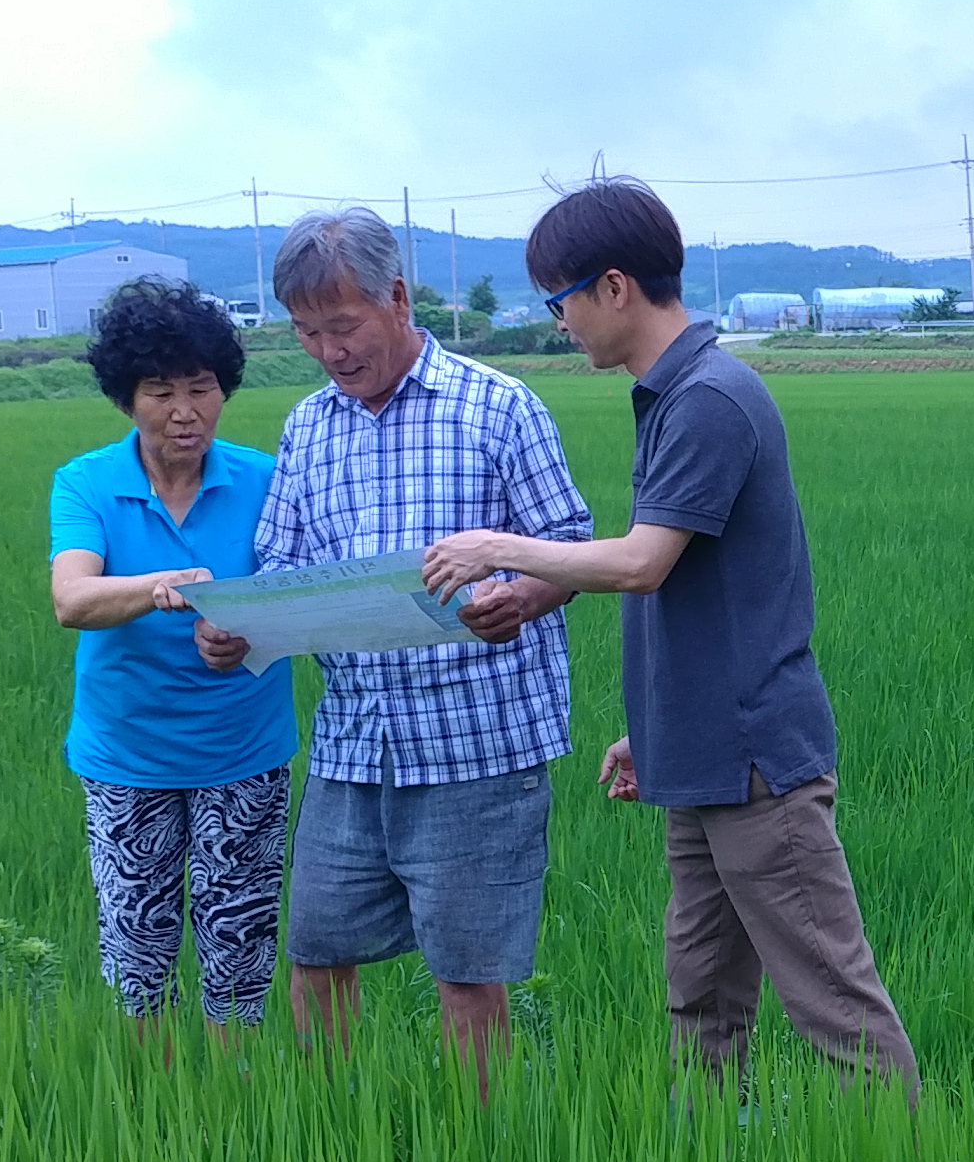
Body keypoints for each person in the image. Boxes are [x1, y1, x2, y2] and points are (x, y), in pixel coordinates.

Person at [420, 179, 919, 1099]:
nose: (556, 322)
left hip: (758, 763)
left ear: (613, 287)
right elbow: (691, 591)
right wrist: (652, 731)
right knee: (700, 1000)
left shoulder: (709, 399)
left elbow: (643, 563)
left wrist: (496, 548)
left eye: (556, 299)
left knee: (836, 1010)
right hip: (700, 759)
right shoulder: (670, 394)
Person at [199, 206, 588, 1091]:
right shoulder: (308, 427)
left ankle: (477, 1150)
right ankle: (334, 1133)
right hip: (355, 744)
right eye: (306, 333)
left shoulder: (497, 406)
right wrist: (240, 626)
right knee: (316, 952)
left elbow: (570, 550)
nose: (329, 351)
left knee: (467, 975)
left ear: (398, 297)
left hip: (476, 741)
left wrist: (521, 596)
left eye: (343, 326)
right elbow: (282, 563)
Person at [48, 278, 298, 1034]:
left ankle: (231, 1105)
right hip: (129, 757)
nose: (184, 411)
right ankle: (152, 1113)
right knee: (138, 958)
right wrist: (168, 586)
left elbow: (302, 594)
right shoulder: (88, 483)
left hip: (243, 752)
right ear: (126, 398)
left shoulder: (267, 479)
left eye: (202, 388)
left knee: (240, 953)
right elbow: (74, 600)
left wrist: (248, 630)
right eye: (160, 392)